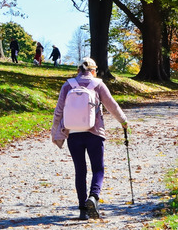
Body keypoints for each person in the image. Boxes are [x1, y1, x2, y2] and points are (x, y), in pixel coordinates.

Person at [51, 57, 128, 220]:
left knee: (80, 170)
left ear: (78, 70)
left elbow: (58, 111)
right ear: (93, 71)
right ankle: (93, 197)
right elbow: (112, 105)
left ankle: (82, 209)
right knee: (98, 168)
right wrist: (123, 121)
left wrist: (55, 133)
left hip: (73, 133)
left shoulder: (68, 85)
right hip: (94, 132)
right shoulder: (98, 84)